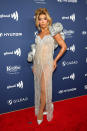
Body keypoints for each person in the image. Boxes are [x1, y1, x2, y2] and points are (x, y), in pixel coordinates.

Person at [28, 8, 67, 125]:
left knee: (44, 90)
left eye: (45, 19)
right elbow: (37, 51)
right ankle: (45, 106)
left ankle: (41, 111)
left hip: (47, 64)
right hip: (38, 65)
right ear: (38, 22)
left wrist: (55, 61)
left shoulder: (53, 32)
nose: (43, 21)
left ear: (48, 20)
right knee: (39, 89)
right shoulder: (39, 34)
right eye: (40, 19)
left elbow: (64, 46)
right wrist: (34, 65)